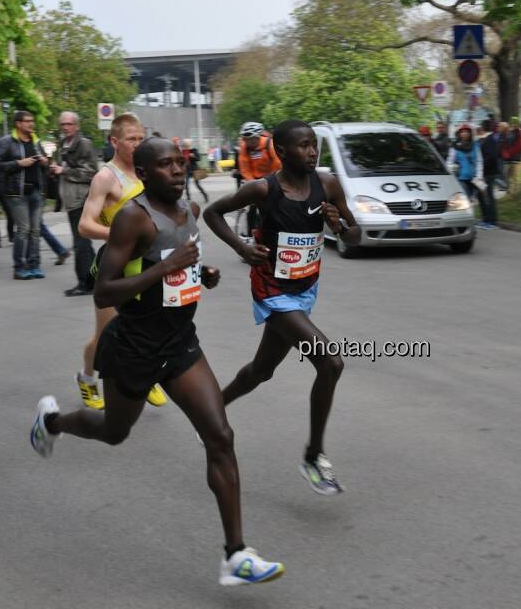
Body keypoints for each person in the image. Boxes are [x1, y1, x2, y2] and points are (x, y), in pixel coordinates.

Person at [30, 137, 284, 586]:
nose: (176, 170)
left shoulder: (188, 211)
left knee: (220, 435)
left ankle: (235, 554)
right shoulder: (133, 217)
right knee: (114, 432)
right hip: (133, 347)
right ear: (144, 173)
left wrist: (198, 274)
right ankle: (52, 423)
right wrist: (165, 271)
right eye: (164, 164)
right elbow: (105, 290)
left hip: (180, 343)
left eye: (180, 162)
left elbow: (177, 263)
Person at [204, 120, 361, 495]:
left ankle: (210, 416)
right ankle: (313, 456)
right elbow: (212, 213)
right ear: (282, 151)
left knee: (261, 371)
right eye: (303, 146)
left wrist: (339, 227)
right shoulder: (264, 188)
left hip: (305, 288)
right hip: (273, 290)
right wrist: (241, 248)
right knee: (331, 362)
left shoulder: (329, 185)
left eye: (314, 146)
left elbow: (354, 235)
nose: (311, 152)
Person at [76, 113, 168, 410]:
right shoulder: (105, 177)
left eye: (142, 138)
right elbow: (84, 225)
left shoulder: (146, 171)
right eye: (132, 139)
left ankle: (148, 376)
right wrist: (122, 237)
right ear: (114, 141)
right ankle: (88, 378)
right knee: (107, 335)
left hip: (149, 263)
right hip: (114, 266)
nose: (138, 144)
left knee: (152, 326)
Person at [0, 111, 52, 280]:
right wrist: (19, 163)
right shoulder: (7, 142)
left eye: (32, 121)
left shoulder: (36, 141)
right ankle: (19, 267)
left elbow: (47, 165)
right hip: (16, 193)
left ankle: (34, 265)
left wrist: (45, 162)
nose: (31, 124)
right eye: (28, 121)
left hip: (37, 192)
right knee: (23, 230)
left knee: (35, 231)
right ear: (18, 124)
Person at [51, 112, 99, 297]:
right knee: (83, 242)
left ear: (77, 126)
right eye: (63, 124)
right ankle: (97, 277)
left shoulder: (83, 144)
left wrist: (64, 170)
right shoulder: (64, 144)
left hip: (81, 199)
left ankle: (84, 283)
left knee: (81, 243)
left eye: (69, 124)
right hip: (71, 200)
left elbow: (91, 172)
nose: (65, 127)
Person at [234, 122, 279, 240]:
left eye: (248, 139)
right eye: (244, 139)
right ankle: (250, 236)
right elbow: (244, 168)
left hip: (272, 178)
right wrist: (252, 185)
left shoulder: (269, 144)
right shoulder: (244, 148)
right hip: (255, 180)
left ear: (256, 137)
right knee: (252, 210)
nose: (246, 142)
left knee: (272, 209)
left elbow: (277, 165)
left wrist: (271, 183)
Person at [447, 124, 486, 221]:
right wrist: (452, 170)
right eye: (462, 132)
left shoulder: (475, 145)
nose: (464, 134)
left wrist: (479, 175)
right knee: (465, 199)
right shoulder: (454, 146)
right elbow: (449, 162)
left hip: (475, 178)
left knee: (477, 199)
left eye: (467, 131)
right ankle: (467, 220)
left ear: (470, 133)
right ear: (459, 134)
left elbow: (479, 160)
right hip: (462, 178)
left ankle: (482, 218)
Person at [476, 121, 502, 229]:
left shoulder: (489, 139)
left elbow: (491, 156)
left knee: (488, 197)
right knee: (481, 195)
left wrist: (481, 165)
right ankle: (486, 218)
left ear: (483, 128)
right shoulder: (485, 139)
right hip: (484, 173)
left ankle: (492, 221)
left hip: (488, 173)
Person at [501, 118, 521, 191]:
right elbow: (507, 143)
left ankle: (516, 191)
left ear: (518, 124)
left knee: (515, 176)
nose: (514, 125)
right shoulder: (511, 132)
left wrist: (510, 152)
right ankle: (510, 191)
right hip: (510, 158)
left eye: (515, 123)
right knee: (507, 175)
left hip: (516, 158)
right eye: (513, 123)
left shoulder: (520, 133)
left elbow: (519, 146)